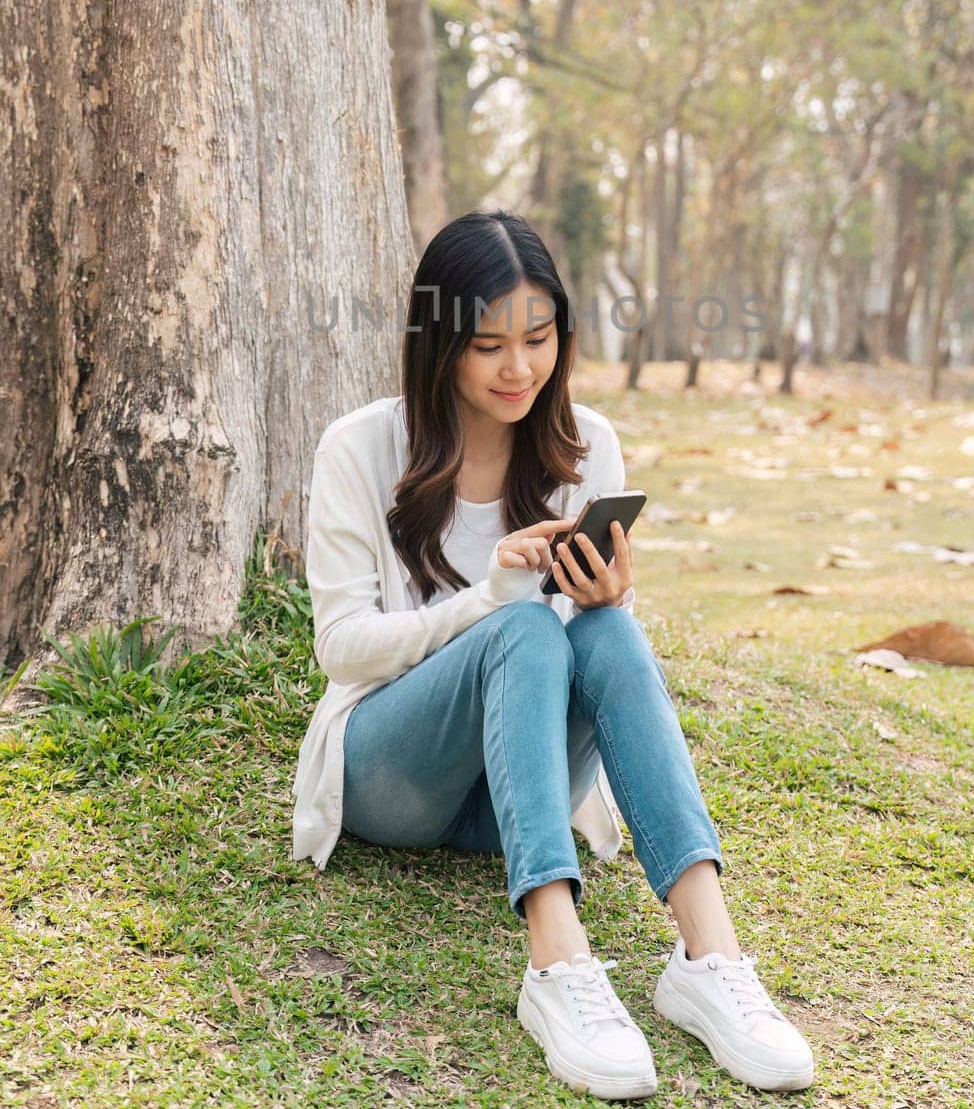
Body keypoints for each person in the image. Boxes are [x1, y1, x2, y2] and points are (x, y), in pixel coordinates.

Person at [291, 209, 814, 1100]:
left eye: (537, 339)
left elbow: (598, 656)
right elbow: (340, 649)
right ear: (440, 344)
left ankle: (708, 957)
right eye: (488, 345)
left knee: (603, 628)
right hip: (394, 780)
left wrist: (607, 598)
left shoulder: (585, 447)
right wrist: (488, 601)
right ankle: (558, 966)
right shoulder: (361, 447)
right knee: (524, 625)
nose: (518, 368)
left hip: (517, 794)